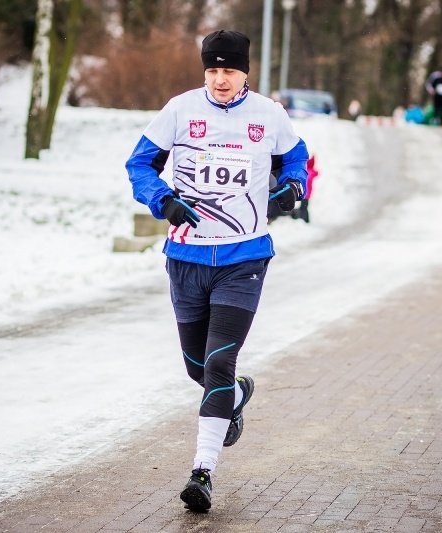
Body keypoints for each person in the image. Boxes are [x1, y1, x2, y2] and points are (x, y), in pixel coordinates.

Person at [125, 30, 309, 512]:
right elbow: (139, 164)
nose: (220, 80)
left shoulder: (269, 114)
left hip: (243, 258)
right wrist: (161, 199)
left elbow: (297, 159)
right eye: (212, 70)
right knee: (197, 367)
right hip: (185, 258)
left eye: (229, 70)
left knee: (219, 363)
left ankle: (202, 472)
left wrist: (293, 187)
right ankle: (235, 397)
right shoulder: (180, 110)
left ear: (245, 72)